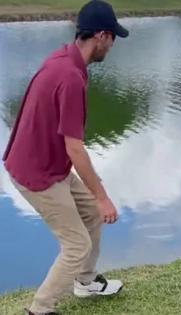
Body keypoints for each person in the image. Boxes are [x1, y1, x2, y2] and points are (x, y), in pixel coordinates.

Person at [2, 1, 129, 314]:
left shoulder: (66, 58)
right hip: (37, 175)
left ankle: (85, 282)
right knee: (76, 245)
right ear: (101, 35)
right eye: (112, 37)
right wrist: (102, 196)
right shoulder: (70, 77)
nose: (112, 45)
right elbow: (75, 148)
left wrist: (96, 202)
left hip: (49, 164)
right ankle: (40, 309)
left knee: (92, 216)